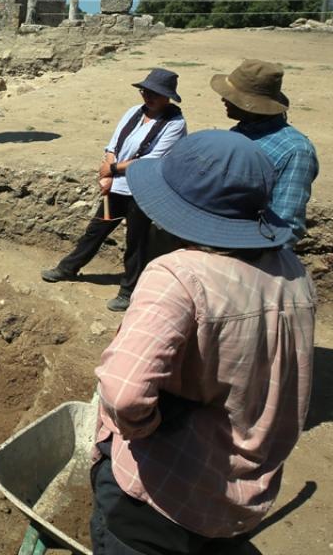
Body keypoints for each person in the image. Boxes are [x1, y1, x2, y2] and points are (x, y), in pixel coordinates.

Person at [90, 130, 316, 555]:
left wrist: (148, 428)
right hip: (240, 496)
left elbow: (122, 396)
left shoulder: (179, 276)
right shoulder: (293, 272)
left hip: (159, 499)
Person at [41, 69, 187, 312]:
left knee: (136, 241)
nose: (147, 97)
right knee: (96, 229)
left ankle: (128, 291)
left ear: (167, 97)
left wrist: (111, 169)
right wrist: (108, 171)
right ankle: (68, 268)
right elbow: (114, 144)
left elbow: (152, 160)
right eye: (145, 92)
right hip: (117, 187)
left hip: (144, 189)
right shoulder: (133, 113)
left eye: (154, 94)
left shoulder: (175, 124)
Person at [212, 59, 318, 242]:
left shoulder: (295, 152)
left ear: (251, 105)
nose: (223, 99)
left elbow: (286, 227)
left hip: (248, 246)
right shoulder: (239, 132)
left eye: (231, 96)